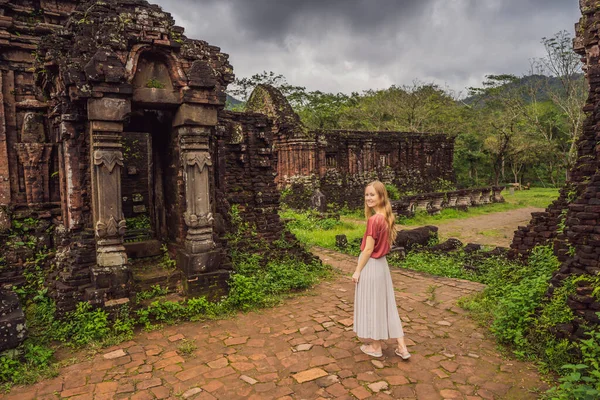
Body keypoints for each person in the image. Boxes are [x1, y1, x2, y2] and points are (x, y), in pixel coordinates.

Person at [352, 181, 411, 359]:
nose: (368, 198)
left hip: (372, 265)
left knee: (373, 306)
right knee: (388, 305)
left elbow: (368, 249)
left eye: (372, 195)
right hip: (383, 267)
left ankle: (376, 347)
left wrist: (357, 270)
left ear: (381, 197)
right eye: (366, 195)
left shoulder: (373, 220)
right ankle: (402, 347)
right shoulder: (386, 216)